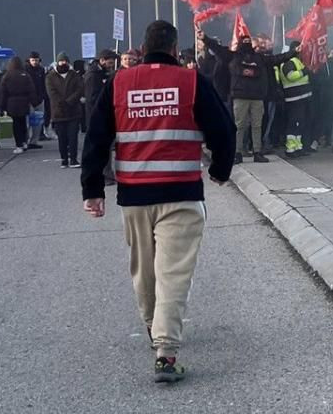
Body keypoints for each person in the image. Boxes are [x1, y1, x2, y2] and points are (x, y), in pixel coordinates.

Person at [80, 20, 236, 384]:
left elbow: (96, 137)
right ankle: (166, 352)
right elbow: (224, 129)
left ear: (143, 47)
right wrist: (221, 170)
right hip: (181, 193)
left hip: (134, 195)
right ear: (174, 48)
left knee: (144, 269)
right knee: (174, 272)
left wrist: (92, 190)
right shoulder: (192, 81)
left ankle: (153, 327)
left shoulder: (119, 82)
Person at [201, 31, 292, 164]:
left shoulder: (257, 58)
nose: (247, 45)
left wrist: (294, 52)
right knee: (242, 126)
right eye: (245, 42)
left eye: (248, 42)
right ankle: (240, 152)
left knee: (254, 125)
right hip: (243, 97)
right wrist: (205, 38)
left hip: (252, 97)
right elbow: (217, 48)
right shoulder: (235, 56)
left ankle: (255, 152)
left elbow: (277, 58)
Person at [45, 52, 84, 167]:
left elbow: (80, 89)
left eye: (65, 61)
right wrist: (62, 103)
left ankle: (73, 159)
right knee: (62, 138)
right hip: (58, 112)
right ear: (57, 62)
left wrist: (70, 101)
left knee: (73, 137)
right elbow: (51, 93)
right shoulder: (50, 76)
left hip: (74, 111)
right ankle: (64, 159)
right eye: (61, 61)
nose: (63, 63)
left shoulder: (74, 75)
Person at [277, 42, 312, 156]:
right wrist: (305, 71)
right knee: (294, 123)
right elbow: (291, 76)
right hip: (294, 98)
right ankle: (290, 148)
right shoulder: (289, 62)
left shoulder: (297, 61)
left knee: (300, 123)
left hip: (301, 98)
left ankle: (298, 147)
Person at [0, 55, 38, 154]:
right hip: (24, 102)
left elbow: (3, 93)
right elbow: (31, 90)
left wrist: (2, 107)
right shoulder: (26, 75)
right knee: (23, 123)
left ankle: (19, 144)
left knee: (16, 125)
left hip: (12, 103)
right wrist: (34, 102)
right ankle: (24, 142)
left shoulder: (7, 76)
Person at [26, 51, 52, 143]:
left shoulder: (41, 70)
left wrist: (43, 96)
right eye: (33, 60)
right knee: (28, 122)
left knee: (38, 121)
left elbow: (43, 84)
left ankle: (35, 140)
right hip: (28, 100)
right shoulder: (25, 70)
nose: (34, 62)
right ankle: (26, 140)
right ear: (29, 60)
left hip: (40, 99)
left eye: (36, 60)